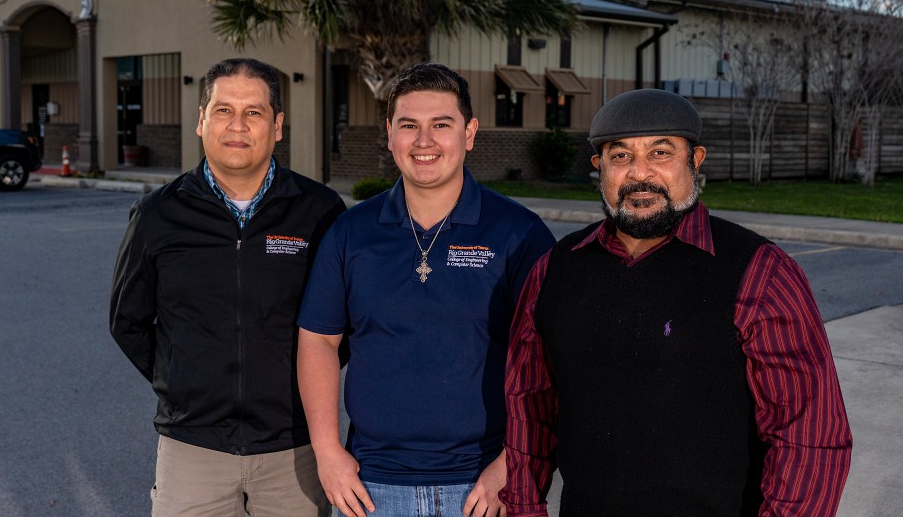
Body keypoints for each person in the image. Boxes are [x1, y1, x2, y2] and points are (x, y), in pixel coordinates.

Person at [501, 88, 853, 516]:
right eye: (621, 156)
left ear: (695, 160)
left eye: (661, 152)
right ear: (599, 167)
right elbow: (528, 408)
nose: (639, 173)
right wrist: (523, 506)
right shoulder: (554, 270)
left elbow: (809, 433)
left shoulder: (760, 272)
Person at [297, 63, 556, 517]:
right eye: (409, 126)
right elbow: (319, 339)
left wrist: (513, 463)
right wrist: (327, 452)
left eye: (441, 124)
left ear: (469, 133)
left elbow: (550, 357)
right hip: (372, 485)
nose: (424, 142)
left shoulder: (519, 234)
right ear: (390, 133)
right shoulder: (351, 232)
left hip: (483, 486)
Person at [110, 57, 346, 516]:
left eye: (254, 112)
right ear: (201, 121)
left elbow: (344, 328)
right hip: (192, 451)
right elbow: (128, 322)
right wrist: (184, 383)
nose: (237, 125)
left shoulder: (319, 213)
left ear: (277, 126)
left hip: (292, 452)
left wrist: (296, 394)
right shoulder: (158, 215)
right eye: (223, 110)